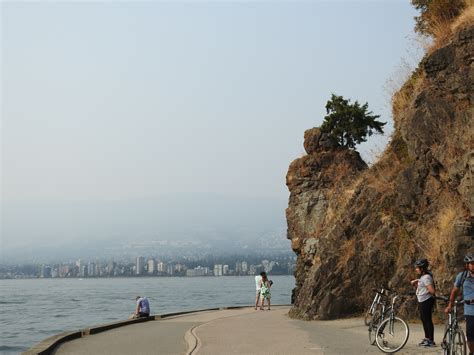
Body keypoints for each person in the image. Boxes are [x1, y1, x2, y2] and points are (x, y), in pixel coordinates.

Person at [445, 253, 474, 355]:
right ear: (467, 265)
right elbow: (454, 291)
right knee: (470, 336)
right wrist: (450, 305)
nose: (473, 265)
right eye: (472, 263)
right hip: (470, 310)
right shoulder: (462, 276)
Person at [410, 258, 436, 347]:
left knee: (427, 320)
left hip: (426, 301)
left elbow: (432, 291)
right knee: (424, 319)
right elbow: (423, 283)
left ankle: (431, 340)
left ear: (422, 268)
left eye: (417, 268)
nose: (416, 269)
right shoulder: (423, 277)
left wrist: (426, 291)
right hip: (422, 300)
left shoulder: (426, 277)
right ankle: (427, 338)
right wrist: (417, 282)